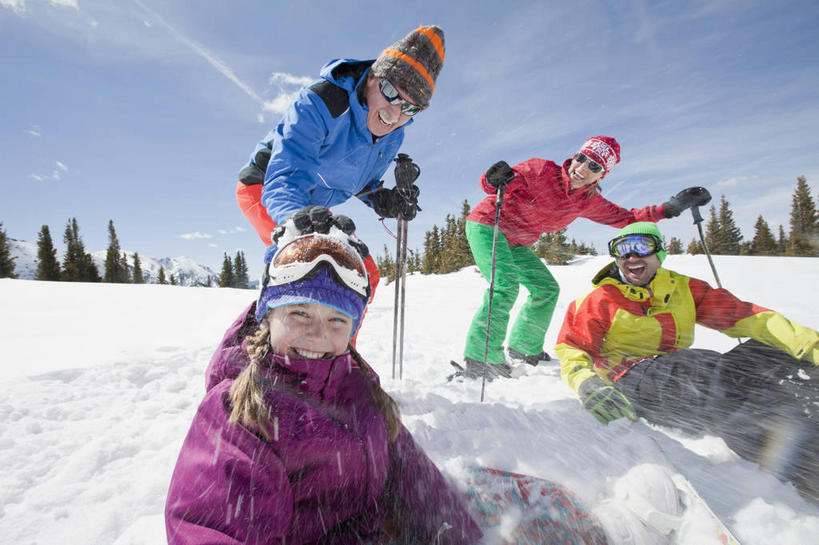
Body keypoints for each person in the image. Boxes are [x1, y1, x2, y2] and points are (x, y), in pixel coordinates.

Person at [165, 224, 483, 544]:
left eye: (337, 320)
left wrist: (462, 536)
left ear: (353, 329)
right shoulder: (239, 413)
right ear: (266, 318)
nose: (317, 334)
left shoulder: (361, 392)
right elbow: (215, 530)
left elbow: (414, 479)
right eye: (299, 312)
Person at [555, 222, 819, 503]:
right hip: (630, 376)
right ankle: (806, 466)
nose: (632, 257)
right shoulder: (598, 299)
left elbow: (746, 316)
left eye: (641, 247)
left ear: (660, 253)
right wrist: (587, 384)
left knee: (778, 351)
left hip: (678, 367)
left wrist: (810, 345)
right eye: (623, 250)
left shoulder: (681, 288)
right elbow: (572, 347)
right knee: (709, 376)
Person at [460, 136, 708, 379]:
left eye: (594, 166)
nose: (581, 168)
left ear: (602, 175)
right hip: (487, 225)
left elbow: (626, 218)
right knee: (506, 285)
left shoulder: (587, 201)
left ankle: (524, 347)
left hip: (516, 242)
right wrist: (492, 177)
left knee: (546, 288)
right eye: (581, 158)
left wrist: (669, 208)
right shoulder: (540, 171)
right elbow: (494, 186)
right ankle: (481, 359)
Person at [236, 25, 445, 302]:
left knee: (363, 274)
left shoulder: (394, 135)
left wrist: (384, 200)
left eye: (410, 108)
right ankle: (260, 341)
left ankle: (340, 346)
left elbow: (360, 180)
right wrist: (299, 229)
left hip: (314, 203)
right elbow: (286, 176)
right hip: (266, 186)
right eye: (390, 91)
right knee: (312, 269)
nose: (395, 114)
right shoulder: (321, 102)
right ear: (372, 78)